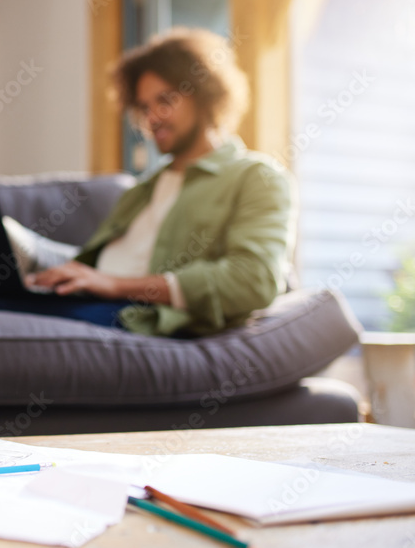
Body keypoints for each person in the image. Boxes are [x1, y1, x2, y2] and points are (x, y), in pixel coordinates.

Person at [19, 27, 296, 337]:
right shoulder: (141, 191)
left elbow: (254, 280)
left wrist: (114, 286)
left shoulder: (256, 178)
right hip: (88, 298)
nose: (152, 118)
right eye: (144, 108)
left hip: (134, 315)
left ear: (205, 94)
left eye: (165, 101)